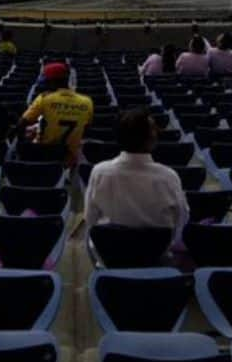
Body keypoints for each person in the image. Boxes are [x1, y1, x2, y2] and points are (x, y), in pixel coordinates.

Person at [83, 108, 188, 247]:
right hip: (157, 254)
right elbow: (181, 219)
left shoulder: (99, 172)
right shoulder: (168, 176)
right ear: (152, 139)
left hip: (109, 253)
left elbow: (90, 219)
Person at [21, 61, 94, 162]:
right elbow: (85, 129)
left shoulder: (44, 98)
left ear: (53, 82)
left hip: (44, 156)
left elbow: (22, 123)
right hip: (70, 159)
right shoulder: (87, 101)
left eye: (46, 81)